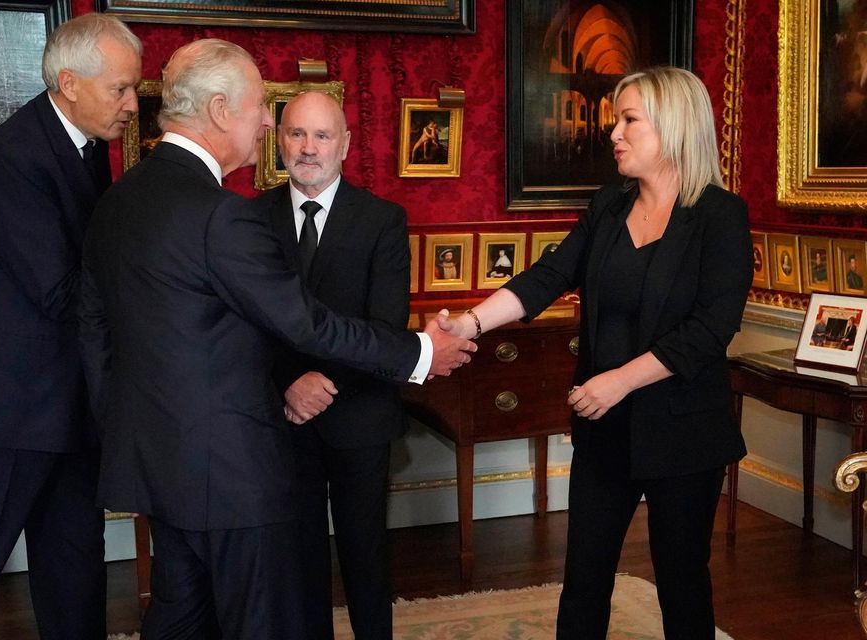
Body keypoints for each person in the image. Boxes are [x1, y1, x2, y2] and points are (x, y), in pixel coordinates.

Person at [78, 40, 475, 640]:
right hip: (229, 474)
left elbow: (95, 332)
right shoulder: (223, 214)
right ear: (218, 109)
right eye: (261, 107)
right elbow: (306, 324)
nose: (267, 121)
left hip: (157, 462)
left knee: (181, 617)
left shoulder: (119, 200)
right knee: (260, 621)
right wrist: (420, 351)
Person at [439, 66, 752, 640]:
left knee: (683, 580)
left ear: (675, 127)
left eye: (630, 119)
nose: (614, 132)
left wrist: (619, 382)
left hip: (683, 433)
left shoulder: (720, 216)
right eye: (616, 119)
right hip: (604, 426)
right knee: (584, 578)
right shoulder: (608, 206)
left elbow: (709, 330)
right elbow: (547, 276)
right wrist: (470, 321)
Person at [0, 14, 142, 639]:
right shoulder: (12, 157)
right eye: (119, 89)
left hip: (64, 404)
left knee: (75, 573)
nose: (130, 105)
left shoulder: (87, 147)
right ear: (69, 82)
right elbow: (62, 289)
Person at [259, 90, 404, 640]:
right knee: (296, 559)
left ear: (344, 145)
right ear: (279, 142)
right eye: (297, 134)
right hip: (282, 417)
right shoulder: (251, 220)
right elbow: (243, 324)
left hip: (360, 415)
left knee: (365, 556)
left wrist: (325, 383)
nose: (309, 148)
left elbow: (385, 327)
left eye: (322, 136)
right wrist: (289, 383)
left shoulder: (383, 221)